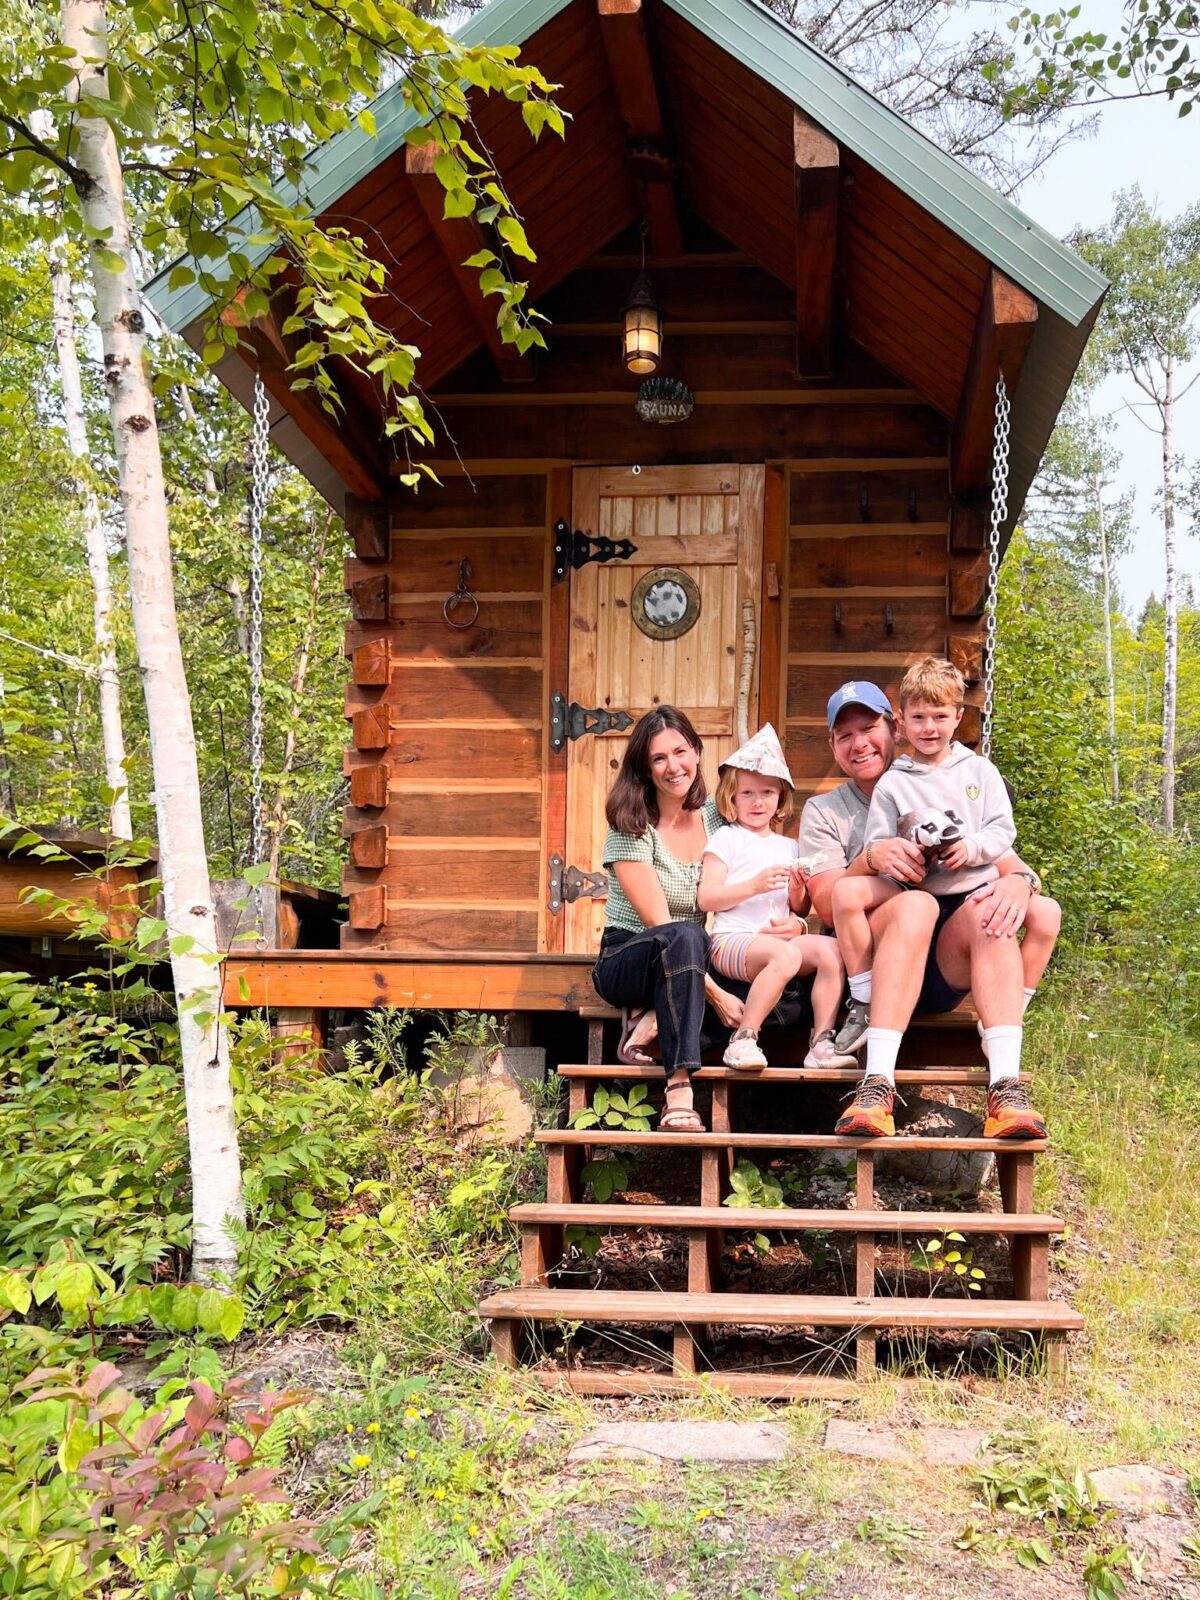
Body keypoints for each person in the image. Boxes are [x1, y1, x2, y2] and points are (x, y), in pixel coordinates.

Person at [799, 677, 1061, 1141]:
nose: (859, 743)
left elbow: (1006, 855)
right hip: (878, 963)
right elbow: (825, 900)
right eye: (845, 736)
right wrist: (871, 857)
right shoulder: (827, 809)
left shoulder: (957, 779)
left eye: (869, 728)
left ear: (891, 730)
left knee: (990, 908)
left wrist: (1019, 885)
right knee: (916, 904)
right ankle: (876, 1084)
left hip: (943, 961)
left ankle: (1005, 1088)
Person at [592, 705, 746, 1133]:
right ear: (645, 768)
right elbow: (660, 926)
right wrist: (715, 995)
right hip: (630, 956)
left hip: (688, 961)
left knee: (784, 991)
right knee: (685, 936)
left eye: (680, 752)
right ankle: (678, 1088)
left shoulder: (718, 819)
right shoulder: (631, 824)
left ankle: (654, 1023)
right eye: (659, 758)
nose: (673, 766)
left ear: (697, 752)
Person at [696, 724, 853, 1071]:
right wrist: (754, 885)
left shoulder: (789, 846)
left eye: (767, 793)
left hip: (775, 942)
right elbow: (707, 898)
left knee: (833, 950)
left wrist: (797, 897)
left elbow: (800, 908)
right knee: (783, 957)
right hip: (730, 942)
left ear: (780, 798)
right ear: (731, 798)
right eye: (747, 793)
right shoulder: (727, 839)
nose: (757, 802)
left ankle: (822, 1043)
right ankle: (744, 1038)